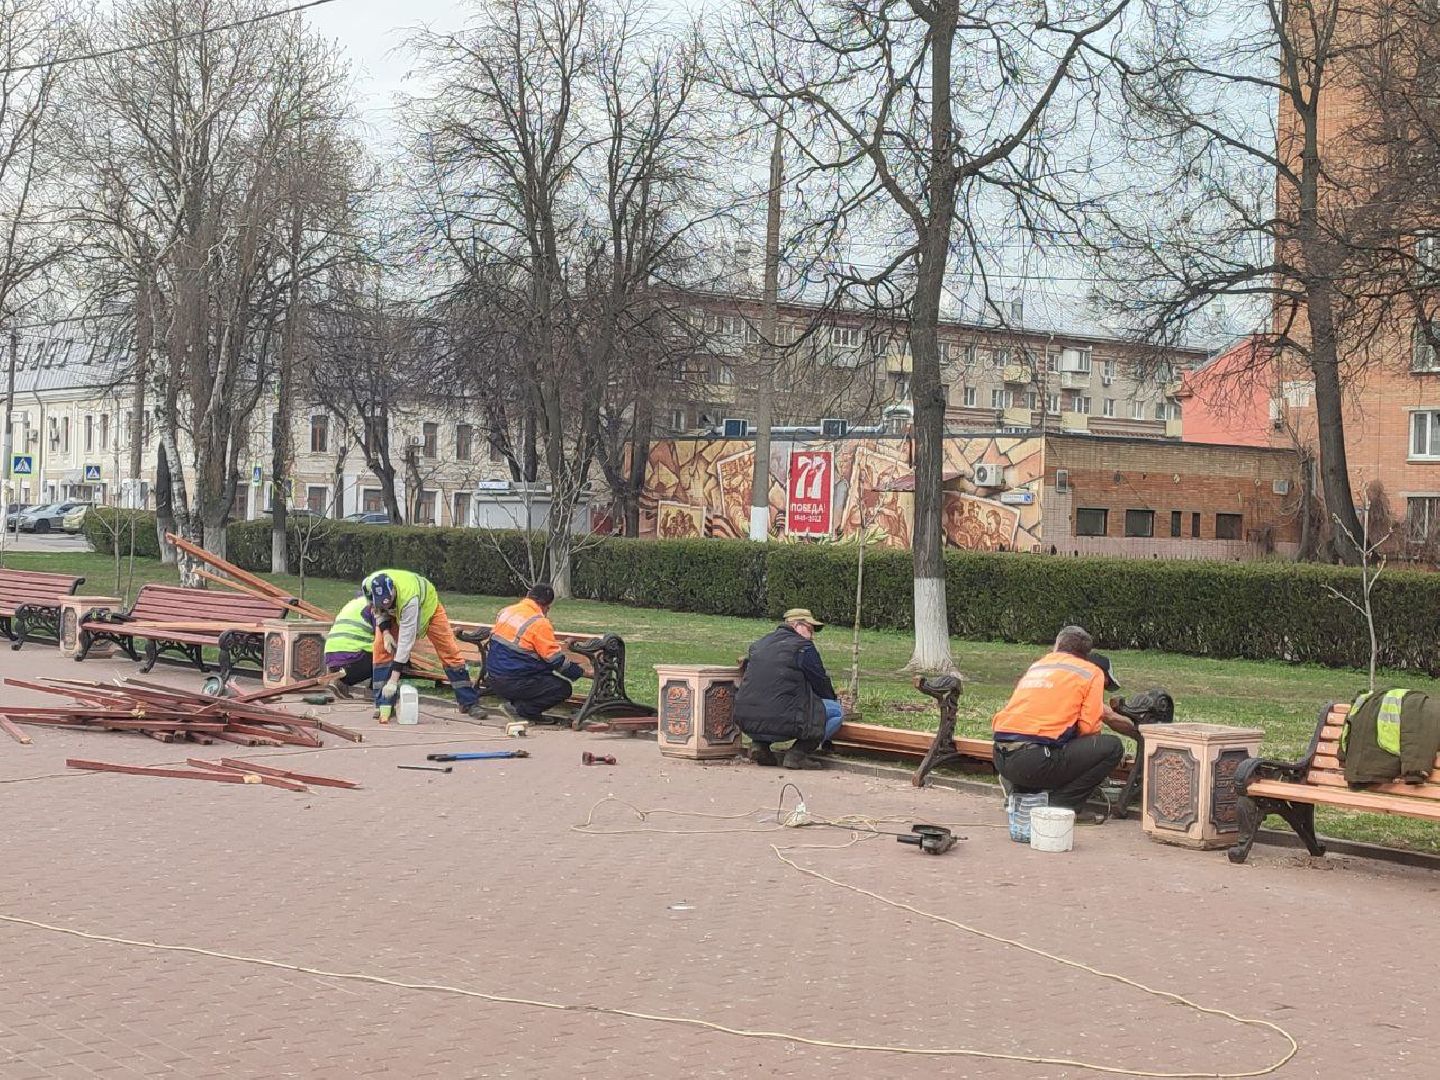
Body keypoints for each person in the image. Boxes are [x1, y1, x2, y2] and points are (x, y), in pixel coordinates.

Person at [991, 625, 1138, 823]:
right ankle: (1062, 807)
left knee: (1051, 745)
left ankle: (1023, 795)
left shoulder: (1040, 666)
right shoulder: (1091, 672)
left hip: (1000, 757)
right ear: (1086, 654)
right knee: (1111, 747)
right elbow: (1089, 729)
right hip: (1033, 762)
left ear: (1057, 645)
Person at [733, 608, 844, 770]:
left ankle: (760, 745)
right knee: (836, 712)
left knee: (770, 703)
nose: (812, 635)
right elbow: (820, 682)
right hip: (784, 718)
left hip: (747, 719)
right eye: (810, 629)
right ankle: (797, 755)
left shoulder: (759, 645)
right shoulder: (803, 647)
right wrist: (830, 700)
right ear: (797, 625)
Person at [362, 569, 480, 716]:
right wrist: (386, 633)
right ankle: (383, 704)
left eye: (389, 602)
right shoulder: (368, 587)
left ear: (393, 591)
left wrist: (393, 681)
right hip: (398, 613)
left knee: (449, 651)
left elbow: (406, 642)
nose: (386, 606)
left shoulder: (409, 597)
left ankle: (468, 702)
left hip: (428, 609)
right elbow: (377, 611)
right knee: (380, 648)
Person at [485, 583, 586, 723]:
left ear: (528, 596)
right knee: (562, 688)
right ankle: (522, 711)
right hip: (514, 681)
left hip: (493, 677)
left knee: (542, 675)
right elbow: (555, 660)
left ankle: (517, 707)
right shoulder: (539, 623)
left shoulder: (506, 611)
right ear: (547, 606)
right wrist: (582, 672)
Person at [323, 595, 377, 696]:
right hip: (353, 661)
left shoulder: (353, 603)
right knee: (390, 656)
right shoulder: (375, 606)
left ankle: (340, 682)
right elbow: (383, 638)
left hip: (331, 661)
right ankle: (375, 691)